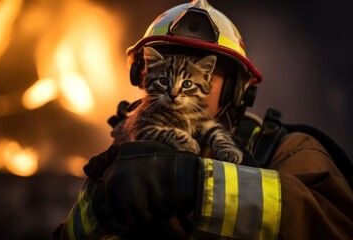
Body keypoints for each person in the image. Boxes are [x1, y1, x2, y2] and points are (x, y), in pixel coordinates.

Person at [53, 0, 353, 239]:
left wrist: (194, 184)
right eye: (164, 65)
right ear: (141, 75)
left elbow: (337, 227)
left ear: (237, 91)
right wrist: (100, 209)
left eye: (200, 70)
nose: (176, 84)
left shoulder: (288, 150)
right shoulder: (126, 153)